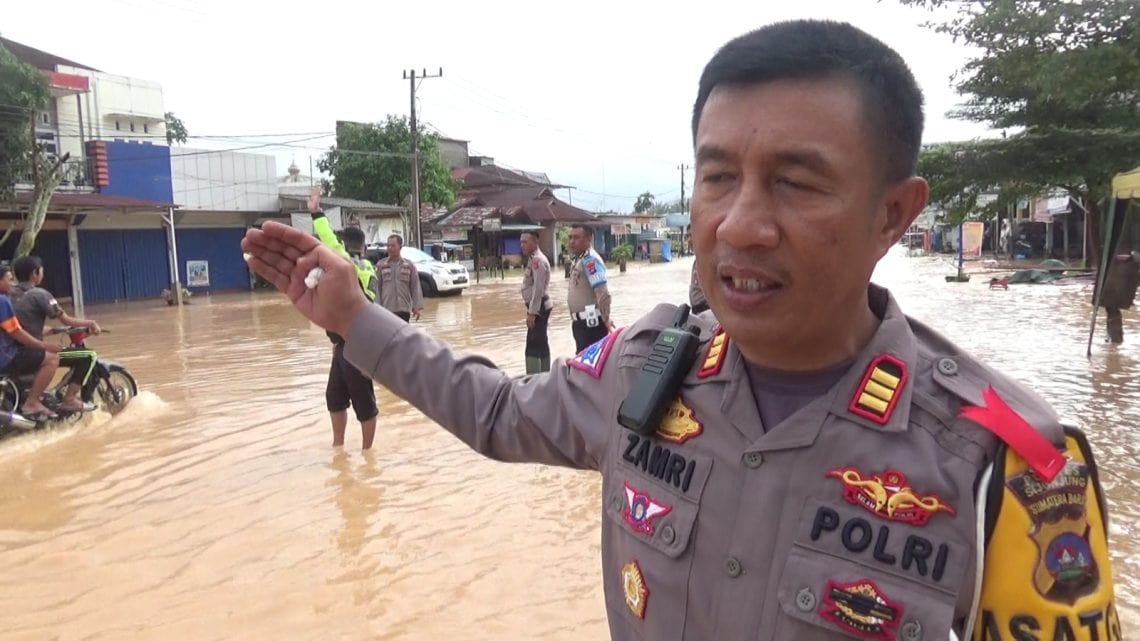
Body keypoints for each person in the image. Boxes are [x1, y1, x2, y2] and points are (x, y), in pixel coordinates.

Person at [244, 21, 1118, 641]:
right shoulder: (643, 370)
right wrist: (353, 318)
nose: (740, 223)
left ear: (894, 213)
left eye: (796, 182)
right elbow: (499, 412)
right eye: (717, 176)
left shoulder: (1014, 465)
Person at [308, 188, 380, 450]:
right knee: (335, 397)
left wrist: (316, 211)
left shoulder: (349, 264)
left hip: (356, 343)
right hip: (343, 344)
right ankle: (338, 447)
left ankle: (367, 453)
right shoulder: (367, 266)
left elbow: (327, 240)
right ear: (364, 245)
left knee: (363, 400)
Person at [10, 255, 100, 413]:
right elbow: (67, 320)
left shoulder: (9, 295)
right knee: (88, 355)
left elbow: (23, 327)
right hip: (28, 352)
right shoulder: (39, 294)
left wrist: (54, 330)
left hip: (9, 351)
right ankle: (69, 399)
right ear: (34, 273)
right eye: (41, 271)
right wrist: (90, 323)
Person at [0, 263, 62, 421]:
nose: (12, 283)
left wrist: (47, 331)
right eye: (9, 279)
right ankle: (32, 402)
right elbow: (16, 332)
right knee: (52, 359)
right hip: (5, 356)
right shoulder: (2, 301)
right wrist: (45, 345)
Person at [566, 223, 613, 352]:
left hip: (590, 324)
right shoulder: (580, 260)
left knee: (588, 366)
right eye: (570, 238)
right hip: (582, 323)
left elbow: (602, 292)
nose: (572, 242)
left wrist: (606, 318)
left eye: (576, 238)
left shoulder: (590, 260)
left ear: (588, 239)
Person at [519, 231, 553, 374]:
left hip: (539, 308)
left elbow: (538, 288)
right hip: (541, 306)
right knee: (541, 342)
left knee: (532, 346)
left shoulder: (537, 260)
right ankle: (545, 376)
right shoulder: (534, 259)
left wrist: (532, 312)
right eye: (521, 242)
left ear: (535, 242)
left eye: (525, 242)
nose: (522, 245)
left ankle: (533, 380)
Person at [377, 234, 424, 323]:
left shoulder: (409, 265)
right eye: (388, 245)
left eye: (393, 246)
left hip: (404, 309)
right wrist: (377, 309)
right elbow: (377, 288)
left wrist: (416, 307)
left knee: (403, 336)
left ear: (400, 247)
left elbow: (415, 287)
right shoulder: (381, 265)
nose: (390, 248)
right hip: (386, 310)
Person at [1098, 250, 1139, 344]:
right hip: (1117, 272)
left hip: (1123, 272)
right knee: (1111, 308)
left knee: (1112, 308)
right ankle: (1115, 341)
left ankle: (1116, 341)